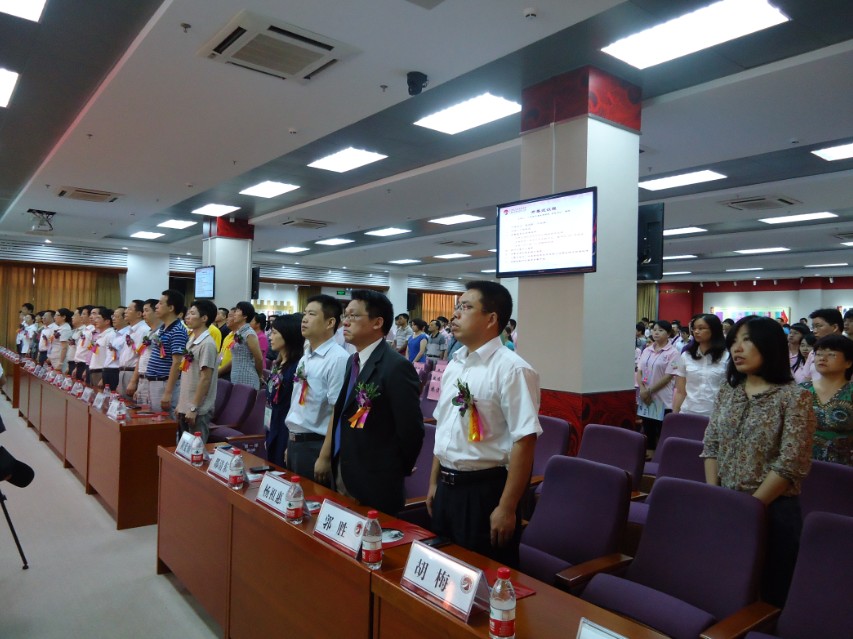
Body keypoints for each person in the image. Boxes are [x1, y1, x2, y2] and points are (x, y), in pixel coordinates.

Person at [701, 316, 815, 607]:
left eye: (747, 340)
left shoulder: (795, 398)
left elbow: (791, 463)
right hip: (725, 501)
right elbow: (711, 444)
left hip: (772, 510)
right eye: (734, 342)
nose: (737, 349)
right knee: (724, 584)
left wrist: (749, 508)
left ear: (770, 345)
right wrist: (714, 494)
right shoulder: (728, 391)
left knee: (769, 596)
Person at [427, 281, 540, 566]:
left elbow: (525, 441)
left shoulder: (513, 369)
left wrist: (507, 507)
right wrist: (433, 483)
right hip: (446, 487)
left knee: (481, 575)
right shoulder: (455, 364)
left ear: (491, 319)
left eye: (466, 308)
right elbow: (444, 427)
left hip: (483, 492)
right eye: (457, 307)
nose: (455, 314)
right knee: (443, 570)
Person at [323, 290, 424, 515]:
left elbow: (411, 430)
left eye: (353, 316)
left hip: (375, 481)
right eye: (345, 315)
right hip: (344, 468)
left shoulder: (396, 366)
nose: (345, 322)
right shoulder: (353, 360)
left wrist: (394, 470)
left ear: (377, 322)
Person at [285, 295, 348, 482]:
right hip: (296, 442)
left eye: (312, 314)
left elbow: (337, 411)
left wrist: (325, 456)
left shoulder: (338, 359)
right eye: (305, 313)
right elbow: (298, 403)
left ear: (330, 322)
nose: (304, 319)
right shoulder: (306, 356)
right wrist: (291, 442)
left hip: (316, 445)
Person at [801, 334, 853, 467]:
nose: (822, 358)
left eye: (831, 354)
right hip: (800, 466)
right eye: (818, 354)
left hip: (842, 469)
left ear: (848, 362)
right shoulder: (800, 391)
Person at [176, 300, 219, 443]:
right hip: (186, 406)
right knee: (183, 449)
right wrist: (181, 404)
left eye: (192, 313)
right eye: (188, 313)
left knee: (195, 449)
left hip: (197, 410)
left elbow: (205, 378)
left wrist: (193, 408)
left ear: (204, 318)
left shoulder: (207, 344)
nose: (188, 317)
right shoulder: (192, 340)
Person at [266, 314, 305, 469]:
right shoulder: (278, 363)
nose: (270, 337)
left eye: (275, 333)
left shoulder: (297, 367)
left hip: (285, 428)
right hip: (272, 422)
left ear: (288, 335)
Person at [670, 314, 728, 417]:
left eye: (701, 328)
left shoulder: (727, 357)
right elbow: (680, 391)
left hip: (716, 415)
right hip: (688, 412)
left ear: (714, 329)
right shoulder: (686, 355)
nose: (696, 332)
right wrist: (675, 414)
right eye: (694, 328)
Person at [636, 320, 678, 449]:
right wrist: (643, 390)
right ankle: (649, 455)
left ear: (668, 333)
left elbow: (668, 377)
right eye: (654, 330)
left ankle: (660, 457)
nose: (656, 333)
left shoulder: (673, 353)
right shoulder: (647, 350)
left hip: (661, 399)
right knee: (648, 430)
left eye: (660, 330)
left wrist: (648, 392)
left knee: (661, 432)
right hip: (646, 398)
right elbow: (640, 371)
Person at [148, 290, 188, 415]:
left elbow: (177, 363)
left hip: (164, 383)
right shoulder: (163, 328)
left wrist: (168, 392)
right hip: (155, 382)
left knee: (165, 421)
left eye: (160, 303)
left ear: (171, 308)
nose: (156, 306)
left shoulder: (177, 330)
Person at [125, 299, 161, 406]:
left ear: (156, 312)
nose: (144, 314)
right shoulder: (149, 332)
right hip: (142, 378)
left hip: (153, 378)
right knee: (141, 410)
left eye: (147, 311)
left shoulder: (160, 332)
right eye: (143, 311)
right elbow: (141, 356)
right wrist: (136, 383)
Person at [220, 302, 263, 390]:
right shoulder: (239, 333)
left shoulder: (249, 333)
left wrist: (259, 375)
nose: (234, 314)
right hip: (236, 375)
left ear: (245, 316)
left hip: (247, 376)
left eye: (237, 311)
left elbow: (259, 358)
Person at [803, 308, 845, 382]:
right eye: (813, 327)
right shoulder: (813, 352)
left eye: (819, 326)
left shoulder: (848, 350)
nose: (814, 331)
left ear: (835, 327)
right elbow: (806, 378)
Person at [88, 307, 115, 389]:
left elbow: (110, 357)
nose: (95, 320)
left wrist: (104, 378)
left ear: (107, 321)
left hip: (101, 372)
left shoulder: (111, 335)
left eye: (98, 318)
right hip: (94, 371)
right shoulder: (100, 335)